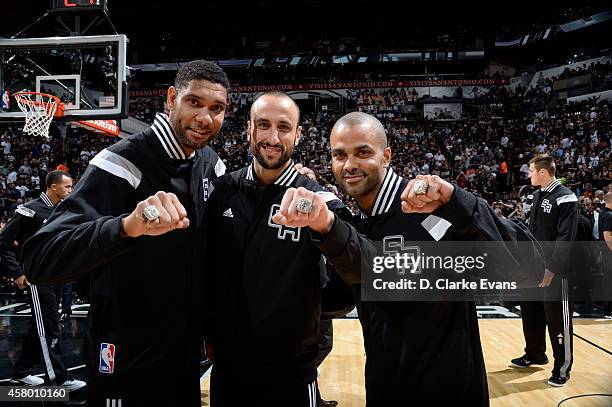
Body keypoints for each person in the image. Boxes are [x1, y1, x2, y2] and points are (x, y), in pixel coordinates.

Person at [22, 60, 230, 406]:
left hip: (183, 355)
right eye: (194, 102)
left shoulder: (210, 163)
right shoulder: (120, 164)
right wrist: (124, 227)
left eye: (217, 108)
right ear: (171, 98)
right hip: (125, 359)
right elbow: (39, 258)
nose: (205, 118)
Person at [327, 112, 543, 406]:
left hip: (449, 392)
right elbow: (338, 299)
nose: (350, 164)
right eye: (339, 155)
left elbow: (528, 268)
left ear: (386, 156)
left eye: (363, 152)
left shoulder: (431, 206)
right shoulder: (355, 223)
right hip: (385, 390)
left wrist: (459, 204)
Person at [204, 92, 369, 407]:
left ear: (298, 134)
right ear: (249, 128)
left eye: (283, 127)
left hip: (291, 373)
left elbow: (361, 270)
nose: (272, 137)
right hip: (228, 368)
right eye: (263, 125)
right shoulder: (222, 192)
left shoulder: (322, 202)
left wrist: (326, 227)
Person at [0, 170, 84, 391]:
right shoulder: (29, 209)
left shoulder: (64, 210)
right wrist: (17, 273)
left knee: (39, 327)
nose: (71, 190)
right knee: (49, 327)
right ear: (53, 187)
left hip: (57, 275)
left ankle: (20, 373)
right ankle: (59, 378)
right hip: (37, 277)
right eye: (67, 187)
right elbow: (4, 243)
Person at [511, 154, 579, 386]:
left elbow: (565, 238)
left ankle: (562, 366)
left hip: (554, 270)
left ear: (542, 172)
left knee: (557, 319)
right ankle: (535, 353)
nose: (528, 175)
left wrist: (552, 268)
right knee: (530, 313)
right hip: (533, 268)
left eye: (531, 171)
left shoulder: (566, 197)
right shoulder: (537, 194)